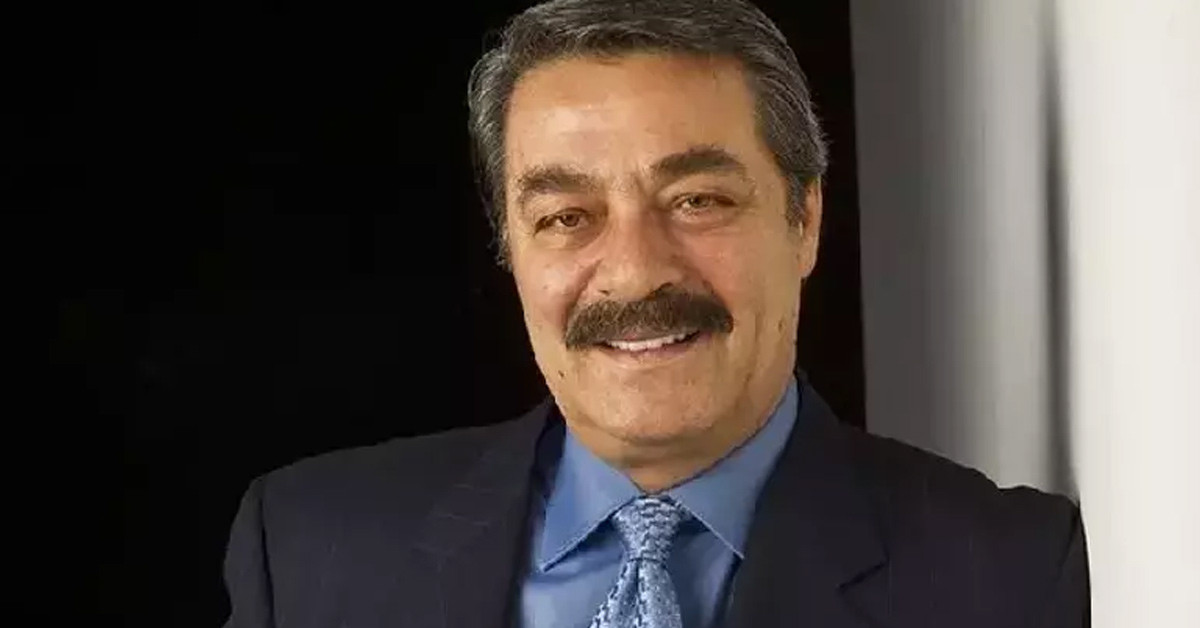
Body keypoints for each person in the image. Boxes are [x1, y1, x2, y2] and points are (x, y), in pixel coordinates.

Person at [220, 0, 1089, 626]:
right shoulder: (307, 555)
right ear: (510, 249)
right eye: (567, 216)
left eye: (697, 201)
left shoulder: (1006, 578)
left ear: (804, 221)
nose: (635, 273)